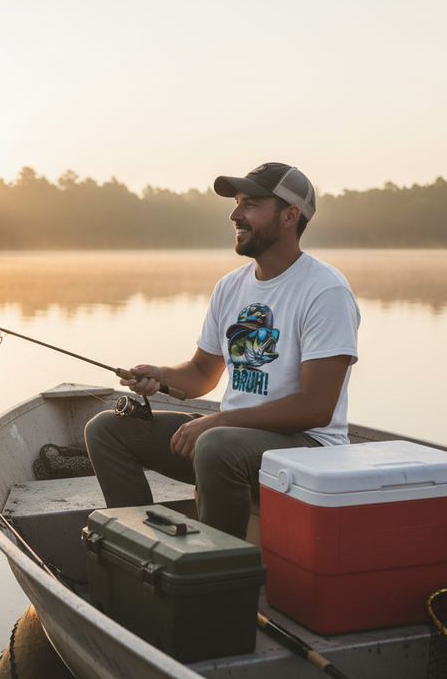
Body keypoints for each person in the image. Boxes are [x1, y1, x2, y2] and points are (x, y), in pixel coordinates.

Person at [85, 162, 360, 540]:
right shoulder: (231, 287)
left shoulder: (325, 291)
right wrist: (162, 376)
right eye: (236, 203)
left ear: (290, 216)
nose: (234, 214)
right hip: (233, 441)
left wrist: (217, 422)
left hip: (308, 448)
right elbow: (202, 373)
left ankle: (214, 579)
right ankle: (139, 548)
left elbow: (316, 407)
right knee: (107, 429)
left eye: (250, 204)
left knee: (215, 445)